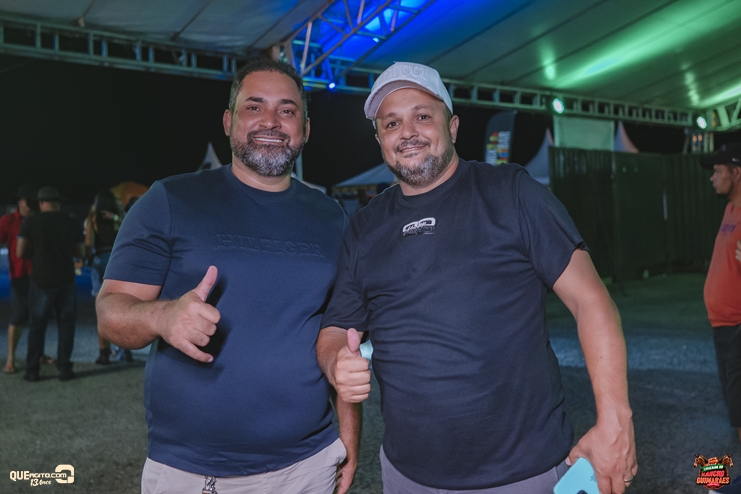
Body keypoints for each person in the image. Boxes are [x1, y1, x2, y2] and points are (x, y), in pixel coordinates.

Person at [317, 61, 637, 494]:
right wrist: (336, 362)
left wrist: (615, 418)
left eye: (422, 116)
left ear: (452, 126)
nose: (407, 132)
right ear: (379, 139)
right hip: (407, 476)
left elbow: (591, 300)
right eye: (391, 123)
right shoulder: (364, 227)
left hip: (523, 474)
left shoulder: (512, 192)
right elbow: (336, 328)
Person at [96, 59, 359, 494]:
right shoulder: (170, 199)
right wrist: (162, 316)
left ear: (306, 129)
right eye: (254, 107)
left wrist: (347, 436)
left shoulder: (333, 217)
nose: (271, 121)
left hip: (309, 465)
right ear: (228, 121)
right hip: (195, 470)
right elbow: (109, 313)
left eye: (287, 110)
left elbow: (339, 335)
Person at [16, 186, 85, 382]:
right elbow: (80, 252)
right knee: (66, 325)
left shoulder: (31, 222)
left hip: (41, 279)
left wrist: (35, 252)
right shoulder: (72, 222)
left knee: (37, 326)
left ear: (41, 203)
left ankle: (32, 370)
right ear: (58, 203)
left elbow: (20, 252)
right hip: (66, 279)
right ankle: (64, 368)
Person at [701, 142, 741, 443]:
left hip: (738, 326)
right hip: (723, 326)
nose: (712, 178)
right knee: (734, 403)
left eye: (718, 171)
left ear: (736, 173)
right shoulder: (731, 209)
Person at [84, 189, 126, 365]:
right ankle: (125, 350)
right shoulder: (119, 220)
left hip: (100, 261)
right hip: (118, 260)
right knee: (123, 306)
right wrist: (116, 217)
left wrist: (85, 259)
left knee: (101, 308)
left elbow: (88, 244)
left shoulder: (92, 220)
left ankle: (104, 352)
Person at [0, 184, 37, 373]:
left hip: (40, 274)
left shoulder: (37, 218)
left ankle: (38, 354)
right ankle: (11, 358)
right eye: (28, 201)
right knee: (17, 317)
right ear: (20, 201)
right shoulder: (8, 220)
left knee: (39, 317)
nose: (30, 205)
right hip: (20, 275)